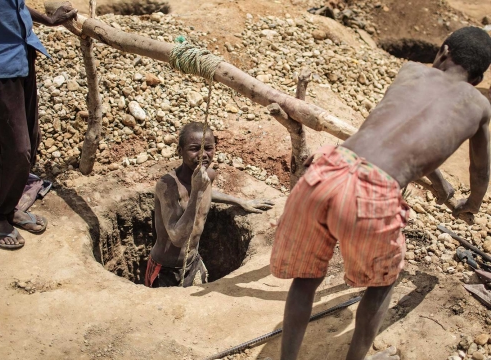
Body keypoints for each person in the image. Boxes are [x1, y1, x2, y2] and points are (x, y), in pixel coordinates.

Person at [270, 26, 491, 360]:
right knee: (383, 283)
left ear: (443, 52)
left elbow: (395, 128)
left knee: (306, 277)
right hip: (373, 193)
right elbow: (481, 170)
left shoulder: (412, 71)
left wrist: (441, 182)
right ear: (478, 78)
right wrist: (469, 205)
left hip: (328, 167)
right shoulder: (479, 104)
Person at [0, 2, 77, 249]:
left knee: (30, 137)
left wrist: (48, 20)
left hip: (21, 51)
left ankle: (8, 206)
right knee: (17, 149)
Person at [146, 122, 274, 287]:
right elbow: (177, 238)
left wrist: (240, 201)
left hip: (193, 262)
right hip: (166, 269)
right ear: (180, 151)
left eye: (208, 148)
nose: (202, 154)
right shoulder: (168, 186)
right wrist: (196, 193)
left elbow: (208, 193)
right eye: (194, 149)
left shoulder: (208, 176)